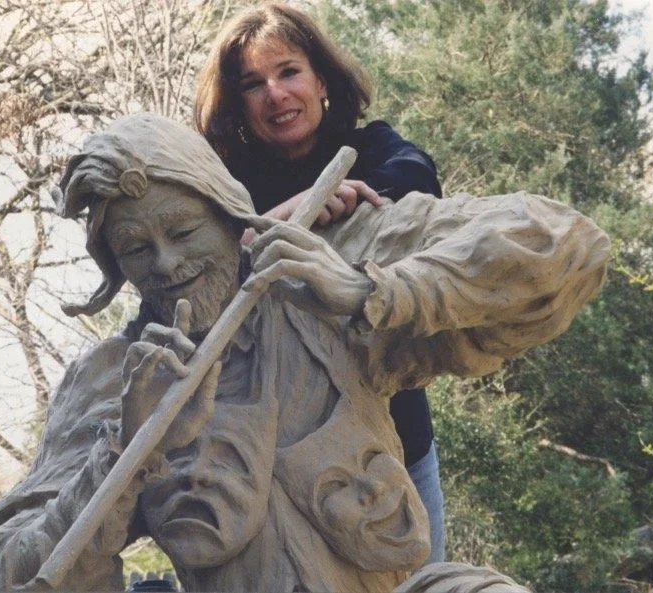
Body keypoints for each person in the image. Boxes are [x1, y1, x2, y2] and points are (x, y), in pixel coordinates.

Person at [0, 113, 610, 592]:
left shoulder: (318, 274)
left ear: (230, 213)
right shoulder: (111, 382)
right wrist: (126, 448)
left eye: (183, 230)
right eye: (135, 248)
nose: (167, 263)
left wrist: (366, 291)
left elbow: (568, 246)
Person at [194, 2, 447, 562]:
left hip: (399, 447)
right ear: (238, 104)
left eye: (288, 72)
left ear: (321, 79)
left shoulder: (375, 148)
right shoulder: (226, 188)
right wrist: (278, 221)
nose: (276, 95)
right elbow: (206, 273)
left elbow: (418, 178)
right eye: (253, 84)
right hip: (282, 464)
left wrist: (352, 195)